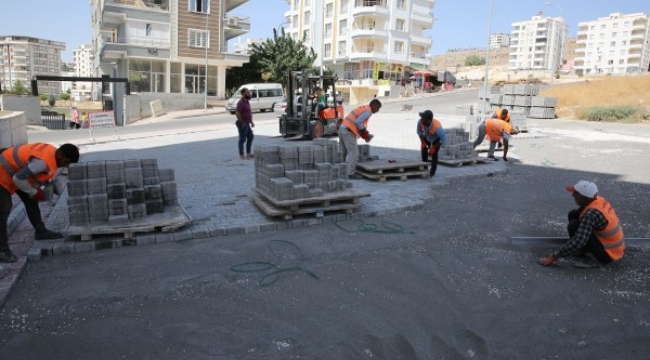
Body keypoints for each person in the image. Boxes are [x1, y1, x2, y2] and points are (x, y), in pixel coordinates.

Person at [0, 143, 80, 263]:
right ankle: (2, 250)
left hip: (14, 169)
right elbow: (18, 179)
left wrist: (59, 191)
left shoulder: (53, 152)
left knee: (31, 200)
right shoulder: (42, 162)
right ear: (60, 154)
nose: (65, 165)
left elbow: (48, 177)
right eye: (65, 162)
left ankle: (40, 231)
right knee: (3, 210)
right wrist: (33, 192)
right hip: (3, 171)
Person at [539, 180, 625, 269]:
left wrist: (554, 256)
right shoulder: (597, 199)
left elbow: (578, 241)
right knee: (574, 214)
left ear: (584, 198)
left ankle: (589, 259)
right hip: (610, 244)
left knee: (574, 225)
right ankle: (579, 251)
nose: (573, 195)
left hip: (607, 254)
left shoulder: (591, 214)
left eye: (576, 194)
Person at [338, 99, 382, 179]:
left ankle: (341, 171)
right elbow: (358, 122)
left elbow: (357, 124)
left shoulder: (364, 108)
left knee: (342, 153)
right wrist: (364, 132)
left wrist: (364, 135)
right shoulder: (368, 111)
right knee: (354, 153)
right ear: (374, 105)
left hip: (342, 129)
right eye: (378, 108)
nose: (378, 110)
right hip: (348, 132)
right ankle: (351, 174)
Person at [416, 110, 446, 178]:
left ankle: (432, 172)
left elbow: (443, 139)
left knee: (434, 154)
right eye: (421, 118)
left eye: (423, 119)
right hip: (427, 136)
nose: (421, 119)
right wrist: (423, 142)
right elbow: (419, 132)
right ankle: (424, 168)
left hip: (436, 139)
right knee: (424, 150)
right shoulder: (420, 122)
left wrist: (434, 147)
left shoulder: (437, 128)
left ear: (429, 120)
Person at [235, 87, 255, 160]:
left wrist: (251, 122)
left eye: (249, 92)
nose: (249, 94)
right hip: (243, 124)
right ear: (243, 93)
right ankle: (241, 154)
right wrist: (242, 122)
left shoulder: (247, 101)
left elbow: (248, 113)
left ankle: (248, 153)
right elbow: (237, 113)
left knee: (250, 137)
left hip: (247, 123)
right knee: (242, 139)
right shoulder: (240, 102)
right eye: (248, 92)